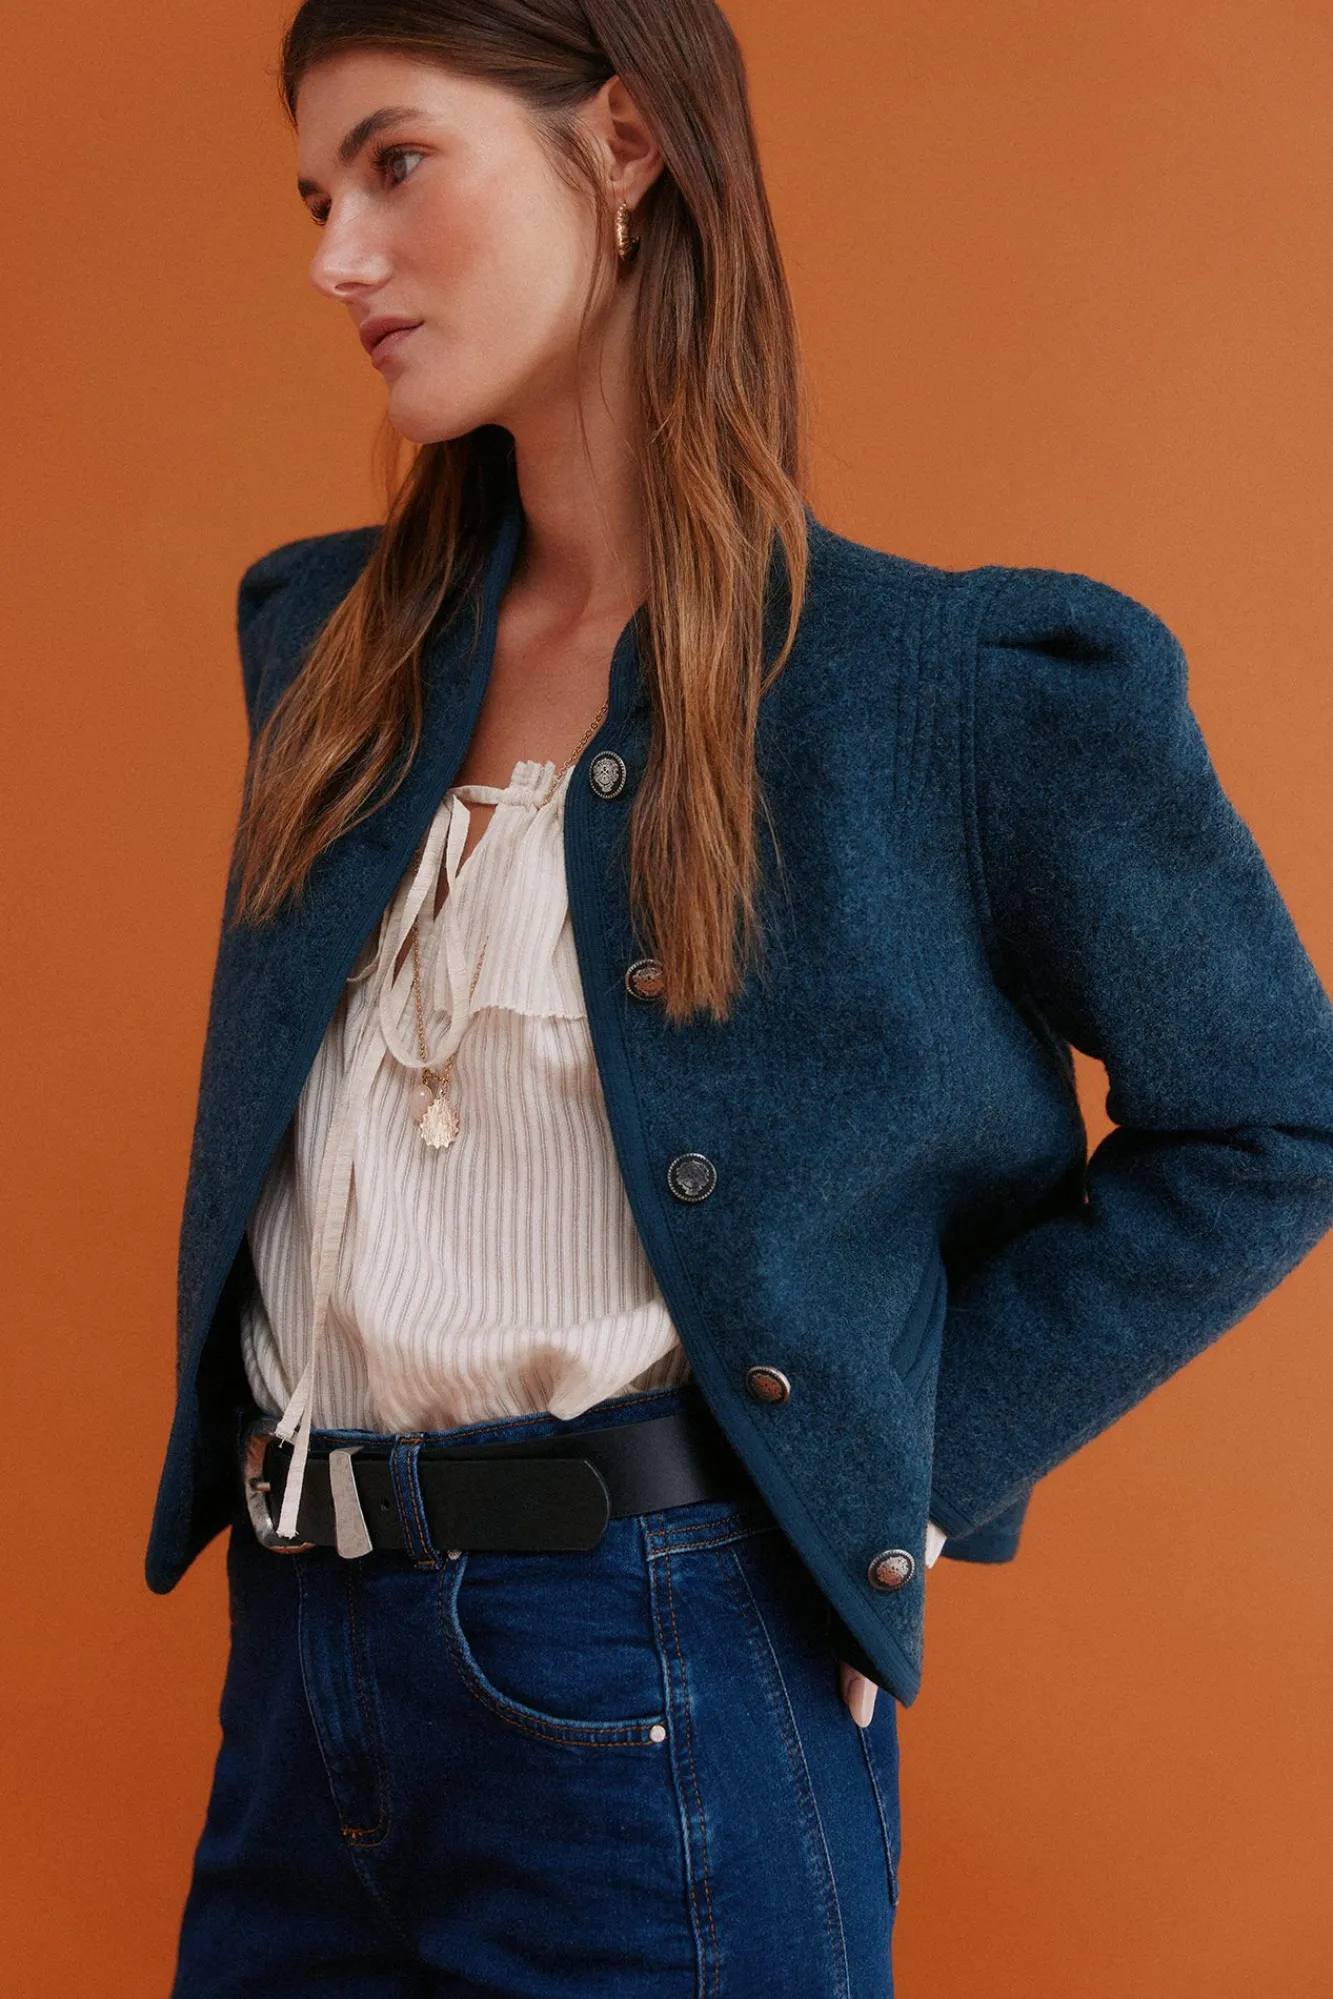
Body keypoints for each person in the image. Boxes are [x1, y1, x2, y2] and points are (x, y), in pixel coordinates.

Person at [151, 3, 1333, 1993]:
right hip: (292, 1683)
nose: (336, 257)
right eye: (315, 197)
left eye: (397, 165)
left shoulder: (948, 693)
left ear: (623, 146)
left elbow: (1270, 1112)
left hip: (657, 1671)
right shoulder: (328, 651)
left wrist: (886, 1478)